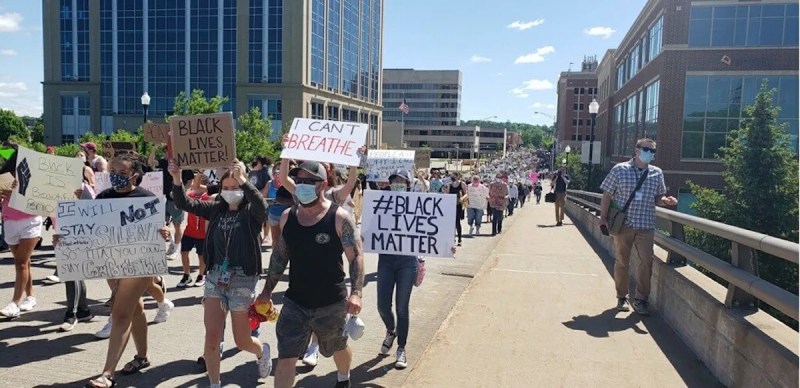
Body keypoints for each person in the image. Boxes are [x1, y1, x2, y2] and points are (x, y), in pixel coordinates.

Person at [257, 160, 365, 388]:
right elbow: (279, 257)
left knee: (337, 346)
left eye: (309, 181)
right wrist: (266, 291)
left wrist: (356, 293)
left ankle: (343, 377)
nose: (302, 185)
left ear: (323, 184)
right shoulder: (288, 216)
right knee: (286, 357)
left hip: (331, 303)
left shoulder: (339, 218)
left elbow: (355, 257)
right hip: (296, 302)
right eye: (299, 181)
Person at [169, 159, 272, 388]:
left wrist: (243, 180)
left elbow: (262, 207)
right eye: (226, 187)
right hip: (215, 277)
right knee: (212, 338)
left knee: (242, 339)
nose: (230, 191)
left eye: (235, 187)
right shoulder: (216, 208)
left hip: (243, 280)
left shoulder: (251, 212)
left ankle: (261, 350)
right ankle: (214, 383)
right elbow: (184, 202)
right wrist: (177, 179)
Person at [80, 153, 172, 388]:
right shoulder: (103, 197)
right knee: (135, 309)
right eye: (113, 172)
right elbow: (89, 230)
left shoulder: (147, 198)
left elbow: (161, 228)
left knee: (120, 312)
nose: (116, 177)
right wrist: (67, 237)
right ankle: (142, 357)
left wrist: (164, 234)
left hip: (139, 264)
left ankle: (107, 374)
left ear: (135, 175)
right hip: (112, 263)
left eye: (122, 173)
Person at [599, 138, 677, 316]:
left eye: (652, 151)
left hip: (646, 225)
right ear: (636, 150)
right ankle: (622, 297)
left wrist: (665, 201)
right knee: (622, 262)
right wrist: (603, 218)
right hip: (624, 224)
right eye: (646, 149)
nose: (649, 153)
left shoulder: (657, 173)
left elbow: (658, 197)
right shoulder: (620, 169)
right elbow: (607, 195)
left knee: (646, 263)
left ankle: (641, 299)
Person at [0, 143, 42, 318]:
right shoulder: (4, 176)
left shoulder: (37, 175)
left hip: (31, 220)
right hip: (10, 220)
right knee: (24, 263)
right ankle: (30, 296)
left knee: (21, 262)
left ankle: (14, 303)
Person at [177, 171, 210, 288]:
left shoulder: (208, 197)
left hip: (202, 233)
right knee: (184, 252)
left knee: (201, 255)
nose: (193, 183)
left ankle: (201, 275)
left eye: (198, 181)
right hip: (190, 231)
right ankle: (186, 275)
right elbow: (184, 195)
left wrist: (200, 175)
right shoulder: (191, 195)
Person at [250, 156, 273, 242]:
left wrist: (260, 193)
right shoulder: (252, 173)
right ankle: (258, 235)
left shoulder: (266, 173)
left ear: (259, 162)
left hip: (263, 197)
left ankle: (266, 235)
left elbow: (268, 185)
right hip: (252, 197)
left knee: (266, 217)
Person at [444, 173, 467, 246]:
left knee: (457, 222)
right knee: (451, 222)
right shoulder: (449, 184)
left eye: (454, 177)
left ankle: (459, 239)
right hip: (451, 205)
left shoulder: (462, 184)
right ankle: (452, 238)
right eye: (452, 177)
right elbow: (447, 193)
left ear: (457, 177)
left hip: (459, 205)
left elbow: (466, 194)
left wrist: (462, 198)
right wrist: (445, 189)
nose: (453, 178)